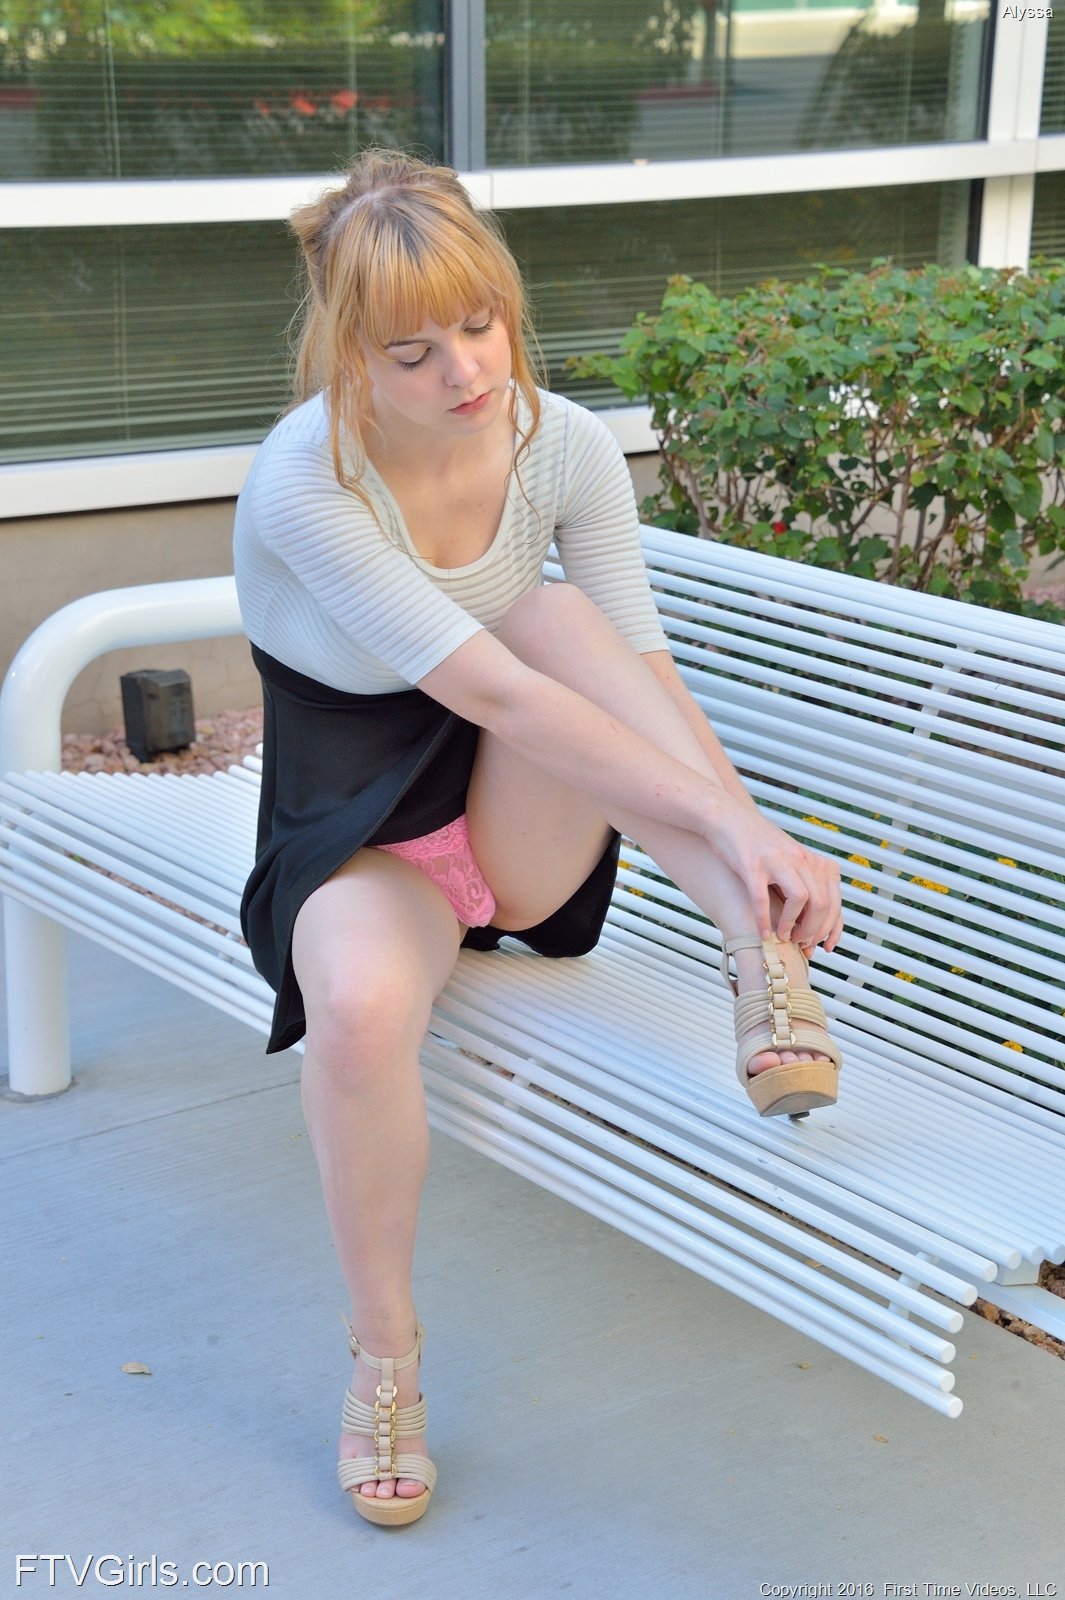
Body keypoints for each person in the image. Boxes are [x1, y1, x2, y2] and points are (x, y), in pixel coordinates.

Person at [232, 148, 843, 1529]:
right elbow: (495, 693)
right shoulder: (307, 481)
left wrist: (751, 833)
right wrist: (727, 817)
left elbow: (635, 663)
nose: (462, 371)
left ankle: (756, 949)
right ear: (346, 354)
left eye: (480, 325)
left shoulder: (559, 444)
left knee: (561, 614)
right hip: (364, 837)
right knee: (359, 1016)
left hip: (520, 821)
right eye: (412, 351)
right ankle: (385, 1358)